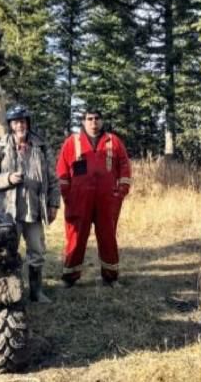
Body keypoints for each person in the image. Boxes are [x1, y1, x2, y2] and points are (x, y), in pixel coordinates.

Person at [0, 105, 60, 303]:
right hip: (8, 213)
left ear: (28, 123)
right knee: (7, 253)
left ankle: (36, 292)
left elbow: (53, 179)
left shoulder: (41, 147)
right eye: (16, 122)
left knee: (37, 251)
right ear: (10, 125)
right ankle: (10, 293)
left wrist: (53, 204)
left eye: (23, 121)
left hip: (34, 210)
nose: (20, 125)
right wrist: (8, 178)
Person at [56, 108, 131, 287]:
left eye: (97, 118)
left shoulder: (114, 141)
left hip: (107, 200)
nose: (93, 122)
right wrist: (68, 195)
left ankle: (110, 277)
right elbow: (62, 170)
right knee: (76, 237)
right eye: (89, 119)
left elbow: (124, 166)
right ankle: (70, 278)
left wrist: (121, 191)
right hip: (79, 200)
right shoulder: (72, 142)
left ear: (102, 121)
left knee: (108, 237)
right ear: (83, 121)